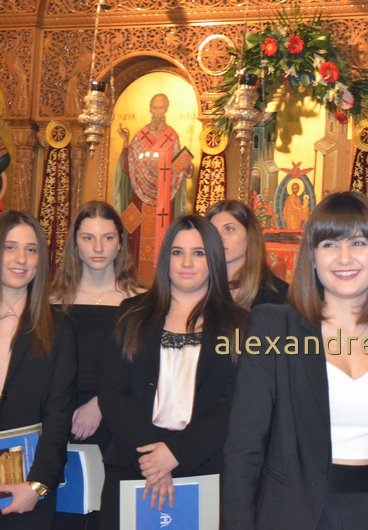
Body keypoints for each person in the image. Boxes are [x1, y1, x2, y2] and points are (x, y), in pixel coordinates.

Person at [222, 191, 368, 529]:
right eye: (330, 244)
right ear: (313, 258)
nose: (344, 258)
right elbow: (243, 449)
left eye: (358, 243)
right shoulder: (275, 327)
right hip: (290, 516)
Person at [98, 215, 247, 530]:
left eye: (198, 253)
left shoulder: (240, 325)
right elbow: (113, 393)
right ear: (166, 258)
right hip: (133, 463)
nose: (186, 263)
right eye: (178, 252)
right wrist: (154, 459)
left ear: (213, 259)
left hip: (205, 467)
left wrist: (177, 453)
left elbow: (235, 405)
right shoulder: (131, 314)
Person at [50, 201, 143, 530]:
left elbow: (147, 372)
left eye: (107, 237)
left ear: (120, 242)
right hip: (61, 419)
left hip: (118, 422)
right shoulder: (51, 300)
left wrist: (102, 403)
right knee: (63, 516)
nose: (98, 248)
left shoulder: (141, 301)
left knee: (109, 515)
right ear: (75, 243)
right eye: (88, 238)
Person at [0, 211, 77, 528]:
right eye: (10, 247)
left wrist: (38, 484)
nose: (21, 259)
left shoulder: (58, 327)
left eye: (31, 250)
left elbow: (60, 414)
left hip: (25, 488)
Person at [113, 93, 193, 283]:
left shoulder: (172, 136)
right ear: (150, 109)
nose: (158, 112)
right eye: (155, 108)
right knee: (135, 234)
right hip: (140, 198)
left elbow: (178, 168)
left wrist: (186, 166)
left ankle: (163, 281)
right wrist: (126, 142)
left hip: (165, 198)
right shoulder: (141, 135)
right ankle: (134, 280)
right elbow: (128, 165)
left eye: (162, 108)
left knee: (166, 236)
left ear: (166, 109)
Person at [205, 199, 288, 308]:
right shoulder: (198, 288)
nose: (219, 238)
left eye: (230, 229)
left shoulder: (278, 296)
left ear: (250, 235)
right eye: (213, 231)